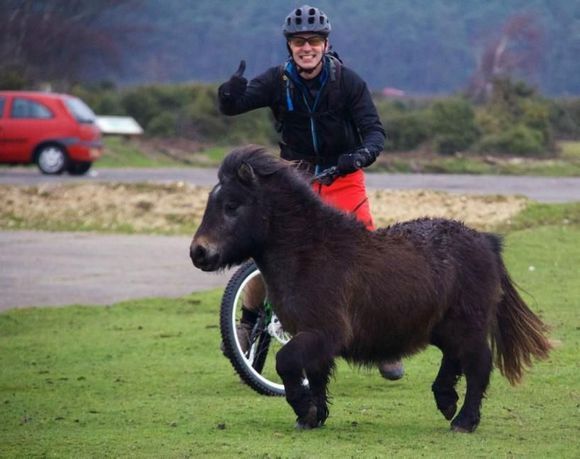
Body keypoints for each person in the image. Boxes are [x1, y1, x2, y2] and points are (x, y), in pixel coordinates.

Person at [217, 5, 404, 380]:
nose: (307, 48)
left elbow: (375, 132)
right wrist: (228, 95)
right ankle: (249, 320)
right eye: (299, 42)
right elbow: (233, 106)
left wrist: (361, 155)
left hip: (343, 175)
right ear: (290, 46)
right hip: (294, 179)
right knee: (268, 255)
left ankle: (385, 343)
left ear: (325, 44)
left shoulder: (347, 83)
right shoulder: (277, 81)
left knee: (368, 255)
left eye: (314, 41)